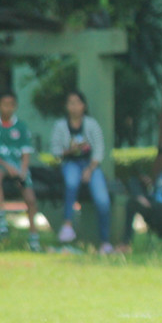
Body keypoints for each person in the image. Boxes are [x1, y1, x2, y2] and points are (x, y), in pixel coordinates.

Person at [49, 90, 113, 253]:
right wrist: (70, 150)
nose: (74, 106)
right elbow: (55, 151)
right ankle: (67, 225)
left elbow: (99, 149)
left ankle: (105, 241)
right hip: (70, 163)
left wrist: (90, 169)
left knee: (102, 200)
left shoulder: (91, 124)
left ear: (84, 106)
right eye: (71, 103)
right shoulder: (60, 126)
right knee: (71, 183)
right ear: (66, 106)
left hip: (90, 164)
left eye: (77, 102)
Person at [0, 89, 42, 252]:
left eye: (11, 105)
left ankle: (34, 236)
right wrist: (7, 166)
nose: (7, 108)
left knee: (30, 198)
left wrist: (22, 170)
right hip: (0, 165)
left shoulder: (21, 126)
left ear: (15, 106)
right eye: (4, 105)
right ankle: (1, 221)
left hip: (17, 166)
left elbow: (26, 153)